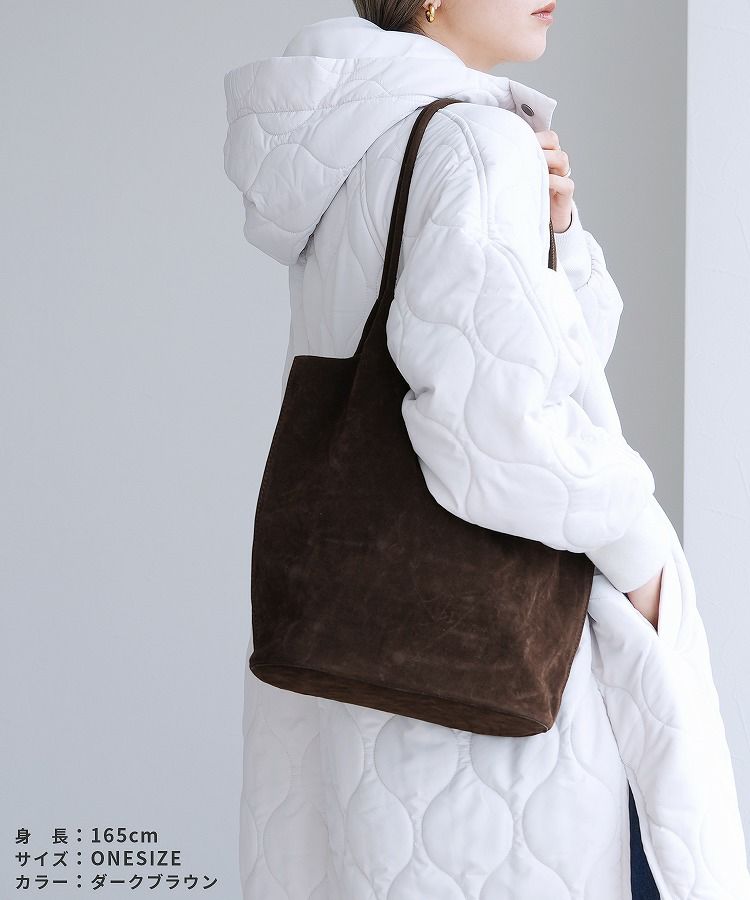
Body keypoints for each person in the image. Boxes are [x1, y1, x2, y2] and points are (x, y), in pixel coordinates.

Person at [223, 5, 750, 898]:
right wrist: (640, 552)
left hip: (359, 671)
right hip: (498, 700)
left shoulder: (355, 144)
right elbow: (494, 424)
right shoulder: (473, 141)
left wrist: (558, 234)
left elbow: (534, 360)